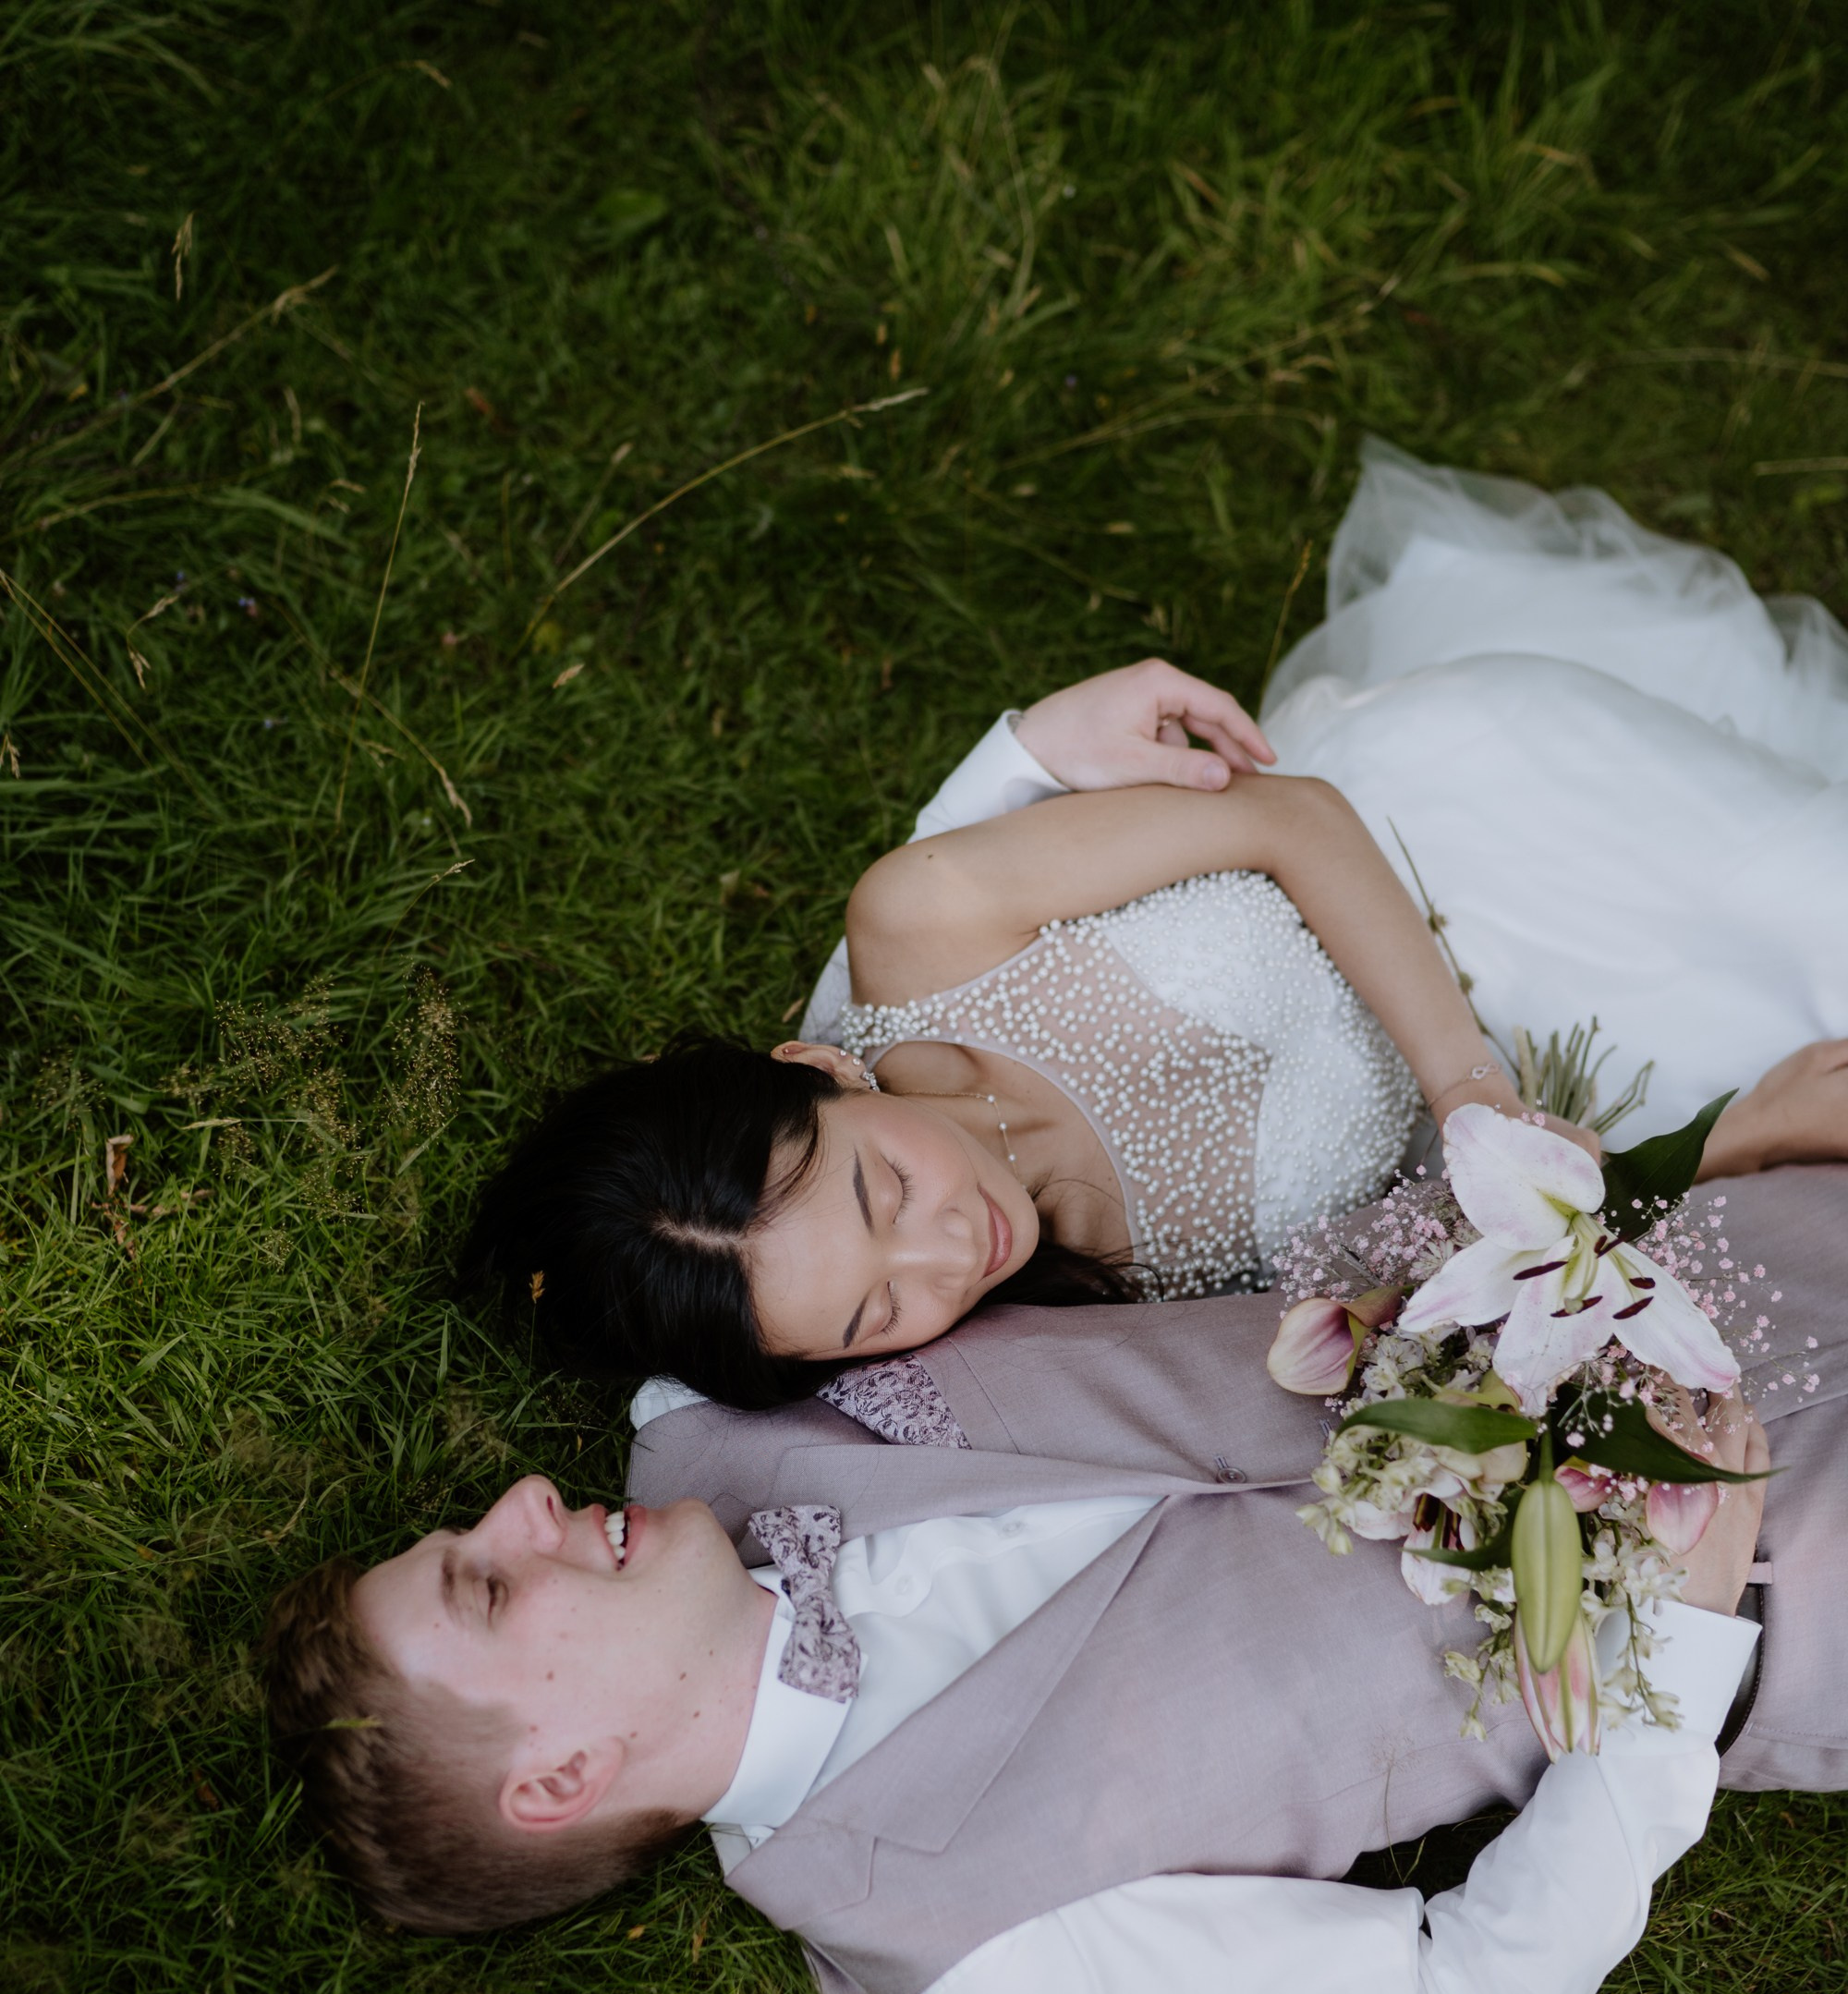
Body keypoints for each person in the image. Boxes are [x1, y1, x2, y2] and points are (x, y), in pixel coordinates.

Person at [263, 1162, 1848, 1994]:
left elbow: (849, 1088)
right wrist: (1679, 1664)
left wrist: (1027, 758)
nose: (524, 1498)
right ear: (562, 1780)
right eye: (488, 1586)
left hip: (1713, 1262)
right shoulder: (975, 1971)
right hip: (1778, 1580)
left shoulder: (702, 1410)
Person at [460, 443, 1848, 1409]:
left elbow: (1286, 818)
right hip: (1564, 1088)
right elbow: (1392, 1291)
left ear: (820, 1071)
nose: (949, 1258)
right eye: (875, 1316)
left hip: (1447, 836)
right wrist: (1714, 1141)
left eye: (885, 1190)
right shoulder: (1058, 1334)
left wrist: (1470, 1090)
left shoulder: (924, 927)